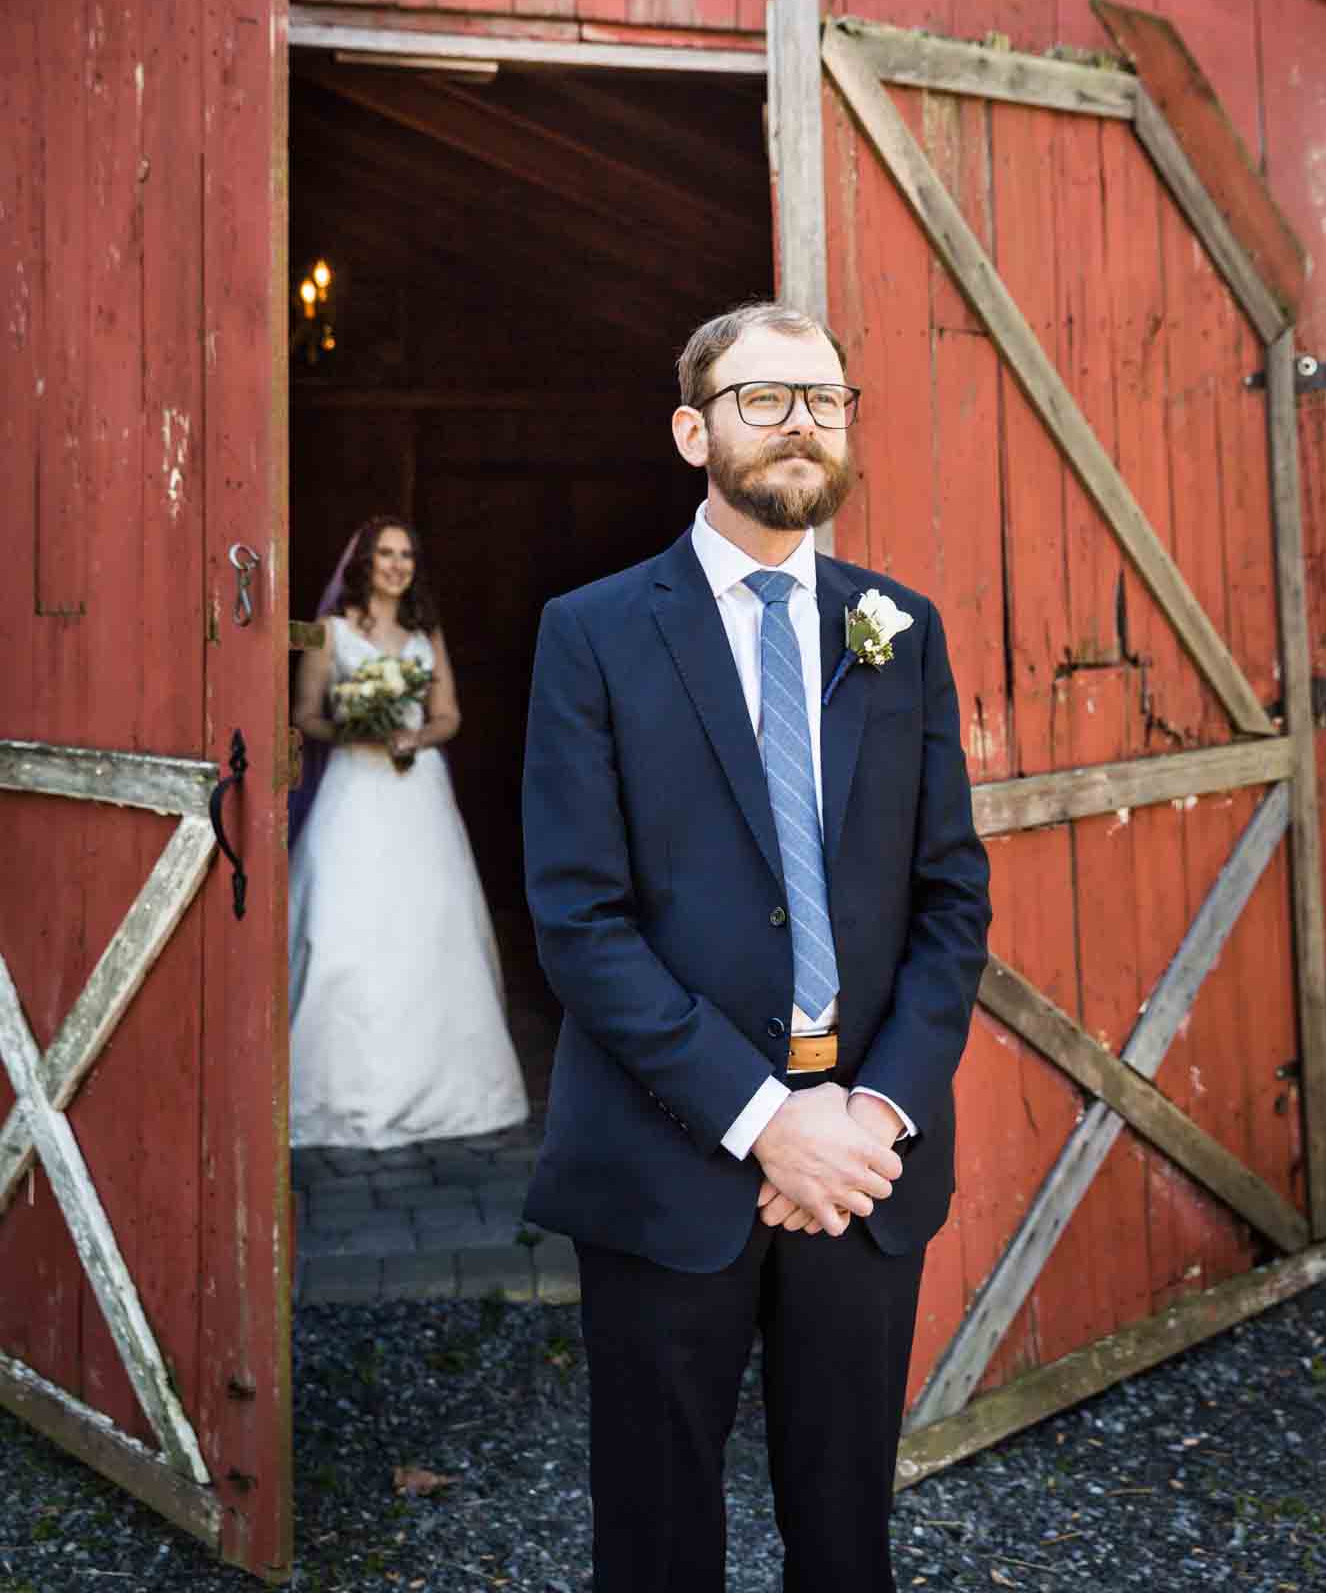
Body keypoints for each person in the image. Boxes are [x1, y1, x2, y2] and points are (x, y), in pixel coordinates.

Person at [521, 303, 991, 1593]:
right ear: (694, 429)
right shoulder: (595, 631)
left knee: (845, 1534)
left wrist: (871, 1113)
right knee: (660, 1538)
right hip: (670, 1153)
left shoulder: (899, 628)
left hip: (860, 1163)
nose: (799, 421)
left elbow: (952, 899)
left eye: (825, 398)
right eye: (763, 396)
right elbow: (578, 918)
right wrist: (761, 1120)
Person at [288, 516, 528, 1148]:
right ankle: (339, 1097)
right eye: (384, 554)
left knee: (431, 929)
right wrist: (354, 730)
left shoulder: (425, 631)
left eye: (406, 555)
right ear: (363, 562)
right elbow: (305, 713)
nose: (396, 565)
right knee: (342, 929)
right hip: (351, 789)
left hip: (418, 792)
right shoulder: (331, 632)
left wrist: (413, 735)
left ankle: (451, 1090)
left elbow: (448, 713)